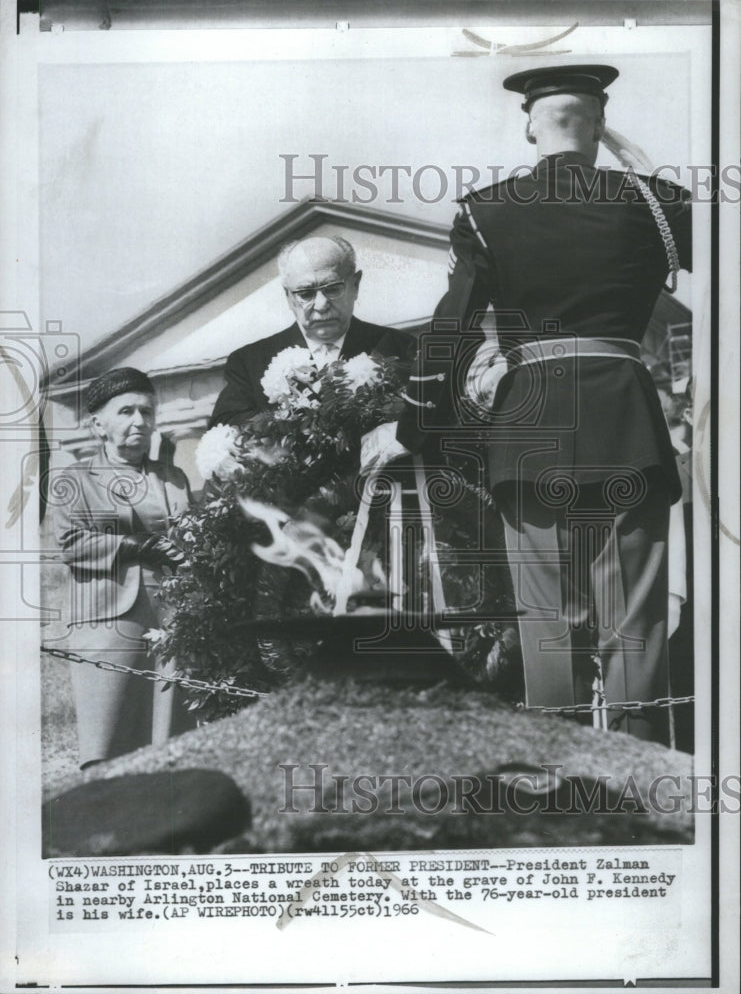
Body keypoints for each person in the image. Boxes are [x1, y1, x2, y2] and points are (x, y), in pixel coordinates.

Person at [367, 64, 692, 742]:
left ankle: (566, 784)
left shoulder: (486, 212)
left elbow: (451, 329)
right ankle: (642, 780)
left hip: (529, 432)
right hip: (626, 424)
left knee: (549, 624)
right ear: (600, 124)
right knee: (634, 622)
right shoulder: (659, 203)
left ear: (528, 126)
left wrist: (413, 426)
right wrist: (643, 173)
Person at [51, 367, 196, 768]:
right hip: (109, 622)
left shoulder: (173, 478)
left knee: (171, 741)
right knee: (109, 742)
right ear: (98, 424)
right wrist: (136, 545)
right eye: (126, 411)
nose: (140, 421)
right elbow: (70, 542)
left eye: (147, 412)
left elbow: (191, 534)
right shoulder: (75, 479)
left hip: (171, 618)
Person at [209, 236, 414, 427]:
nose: (321, 304)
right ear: (288, 296)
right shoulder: (250, 363)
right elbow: (226, 426)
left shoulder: (400, 346)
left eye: (333, 289)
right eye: (305, 294)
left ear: (355, 285)